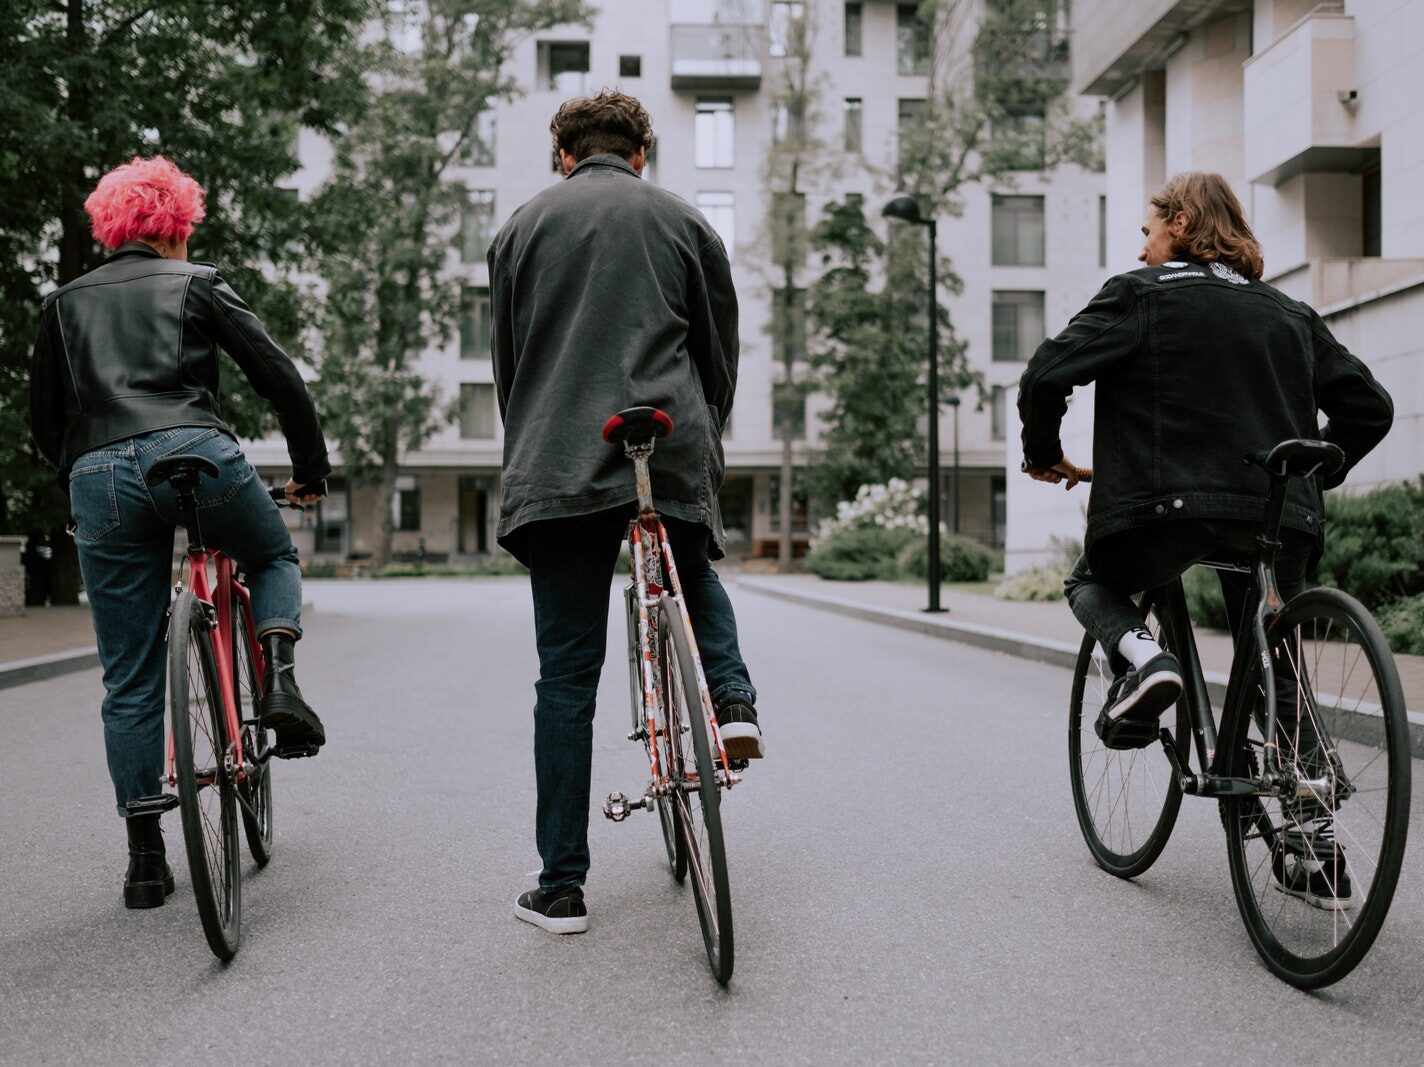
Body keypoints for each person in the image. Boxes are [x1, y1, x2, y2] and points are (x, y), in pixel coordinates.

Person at [1018, 171, 1393, 908]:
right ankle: (1316, 848)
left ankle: (1146, 657)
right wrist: (1316, 472)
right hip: (1275, 511)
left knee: (1091, 581)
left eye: (1150, 229)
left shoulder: (1138, 294)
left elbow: (1045, 375)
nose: (1145, 244)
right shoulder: (1288, 314)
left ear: (1182, 222)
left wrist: (1042, 453)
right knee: (1276, 656)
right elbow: (1370, 409)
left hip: (1168, 508)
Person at [488, 90, 763, 935]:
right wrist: (703, 442)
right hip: (667, 436)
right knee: (687, 562)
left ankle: (562, 885)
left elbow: (510, 361)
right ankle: (734, 700)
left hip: (561, 455)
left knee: (566, 676)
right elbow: (719, 351)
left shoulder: (521, 228)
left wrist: (534, 440)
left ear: (563, 154)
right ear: (641, 154)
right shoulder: (684, 221)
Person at [28, 156, 331, 910]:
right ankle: (282, 683)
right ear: (175, 224)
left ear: (112, 225)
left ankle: (144, 860)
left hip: (98, 472)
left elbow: (44, 420)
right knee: (268, 552)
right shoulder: (195, 281)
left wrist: (86, 473)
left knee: (128, 673)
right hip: (194, 450)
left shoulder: (62, 303)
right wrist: (309, 469)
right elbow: (279, 376)